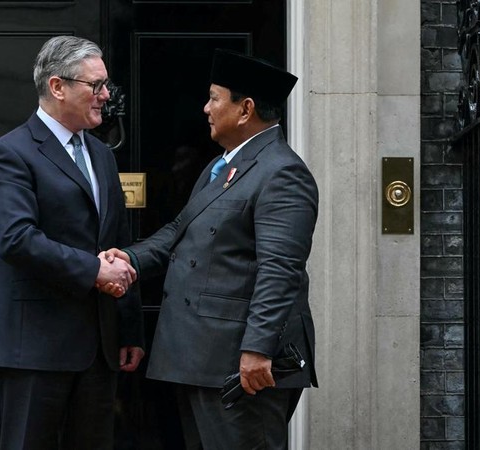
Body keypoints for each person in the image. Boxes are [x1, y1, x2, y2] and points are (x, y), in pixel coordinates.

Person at [104, 49, 319, 449]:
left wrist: (257, 349)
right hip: (201, 358)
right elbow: (179, 231)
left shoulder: (282, 172)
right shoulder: (222, 166)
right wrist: (130, 258)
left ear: (245, 109)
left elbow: (280, 269)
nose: (206, 108)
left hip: (240, 366)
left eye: (215, 98)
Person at [0, 35, 145, 450]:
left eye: (106, 85)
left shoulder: (103, 155)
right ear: (58, 87)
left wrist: (128, 328)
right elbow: (16, 239)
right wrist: (93, 270)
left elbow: (116, 243)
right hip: (33, 351)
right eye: (96, 86)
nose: (106, 96)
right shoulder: (11, 153)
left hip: (98, 351)